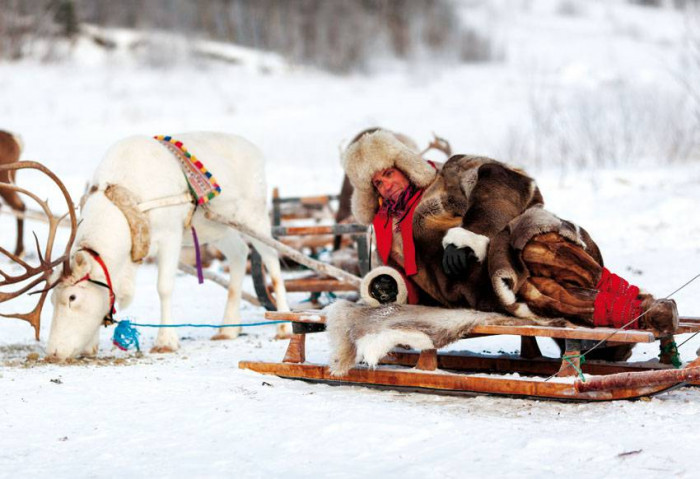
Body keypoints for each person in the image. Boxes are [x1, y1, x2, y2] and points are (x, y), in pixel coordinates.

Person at [341, 129, 678, 335]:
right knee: (539, 294)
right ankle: (644, 316)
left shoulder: (449, 174)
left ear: (402, 165)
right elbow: (411, 287)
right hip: (483, 289)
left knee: (540, 251)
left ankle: (641, 304)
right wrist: (388, 287)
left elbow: (502, 180)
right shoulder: (386, 232)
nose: (386, 185)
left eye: (388, 174)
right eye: (377, 183)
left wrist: (469, 236)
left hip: (509, 239)